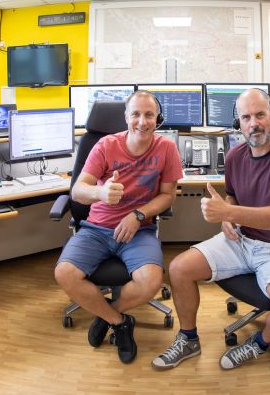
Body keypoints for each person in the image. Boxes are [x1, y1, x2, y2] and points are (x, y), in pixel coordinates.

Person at [152, 88, 270, 370]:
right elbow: (233, 197)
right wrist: (228, 218)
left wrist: (229, 213)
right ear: (238, 123)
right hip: (242, 240)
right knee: (179, 269)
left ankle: (259, 343)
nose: (254, 124)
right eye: (246, 117)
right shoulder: (235, 156)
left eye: (260, 115)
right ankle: (188, 339)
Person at [55, 91, 183, 364]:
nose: (142, 121)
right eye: (135, 114)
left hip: (139, 230)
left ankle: (105, 315)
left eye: (149, 115)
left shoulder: (167, 148)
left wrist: (138, 215)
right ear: (126, 117)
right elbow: (78, 190)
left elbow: (167, 196)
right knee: (64, 274)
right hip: (97, 228)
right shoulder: (105, 145)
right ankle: (119, 321)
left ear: (157, 119)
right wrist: (100, 193)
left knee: (151, 282)